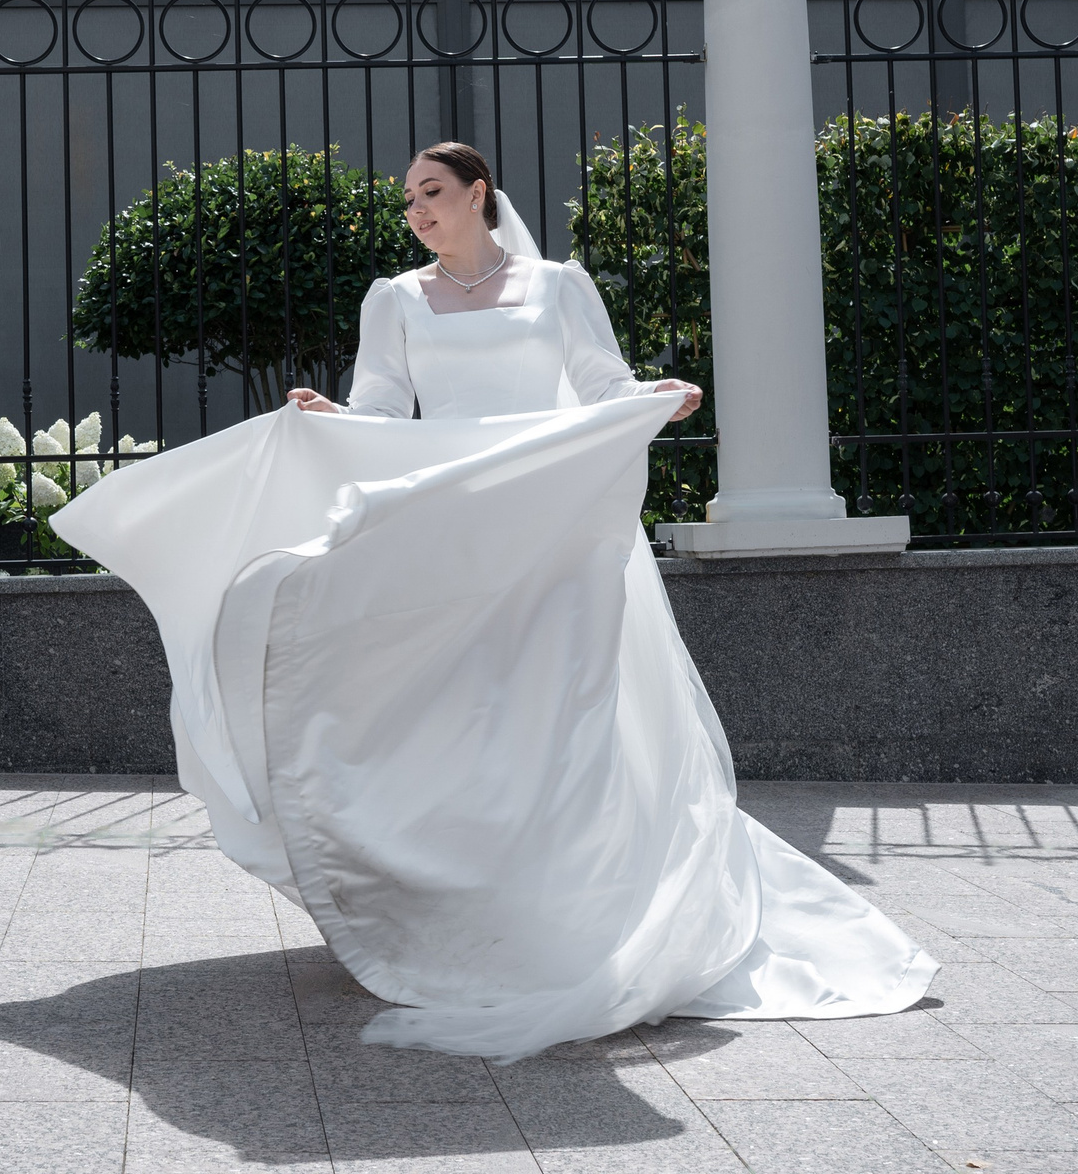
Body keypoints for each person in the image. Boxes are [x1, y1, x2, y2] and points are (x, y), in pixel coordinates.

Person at [50, 141, 935, 1062]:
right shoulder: (393, 298)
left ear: (480, 195)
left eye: (432, 194)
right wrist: (334, 419)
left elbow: (599, 386)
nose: (417, 212)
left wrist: (652, 399)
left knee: (568, 709)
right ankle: (476, 901)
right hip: (460, 530)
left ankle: (589, 907)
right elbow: (387, 409)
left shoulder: (559, 285)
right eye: (408, 202)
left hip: (553, 525)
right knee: (475, 713)